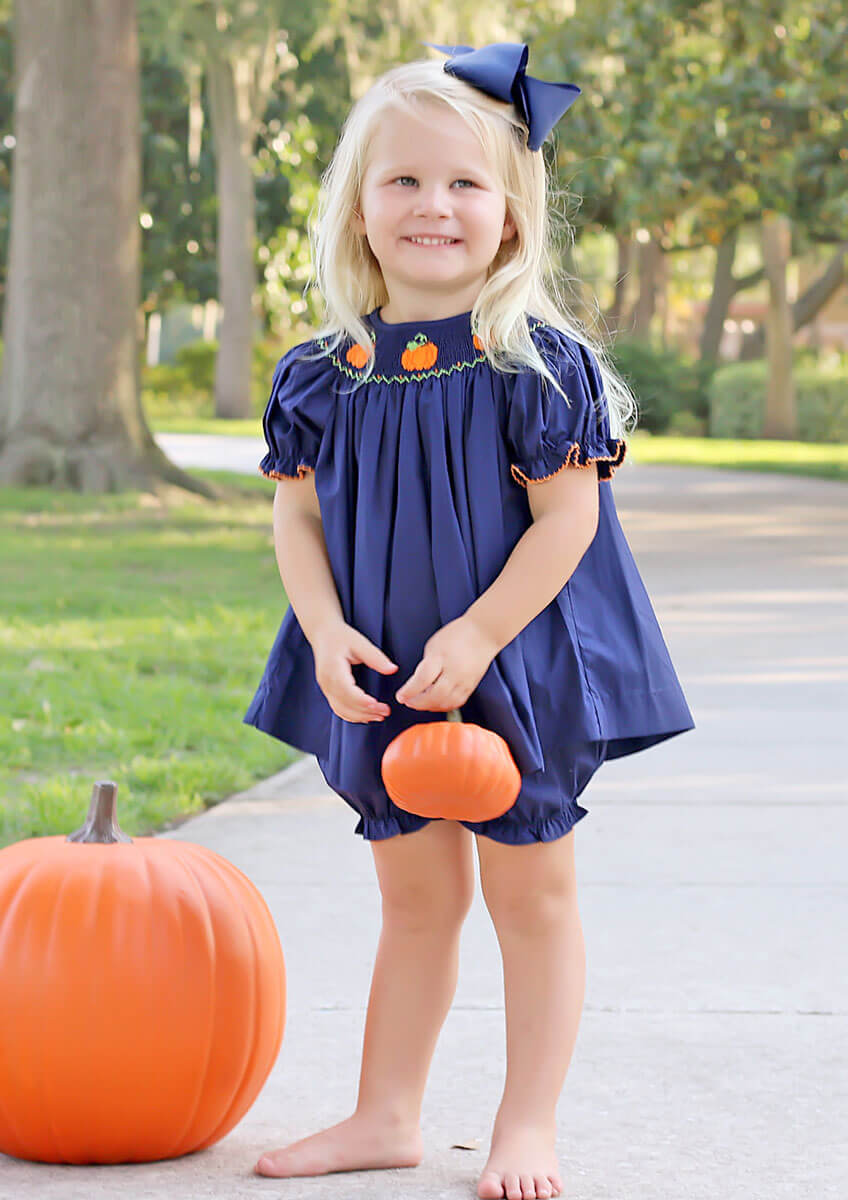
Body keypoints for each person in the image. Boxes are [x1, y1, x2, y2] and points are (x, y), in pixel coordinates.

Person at [242, 42, 694, 1200]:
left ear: (508, 216)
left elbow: (567, 523)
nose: (433, 205)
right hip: (382, 663)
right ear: (357, 207)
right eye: (402, 181)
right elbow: (296, 522)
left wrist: (485, 634)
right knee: (414, 899)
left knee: (530, 895)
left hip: (514, 659)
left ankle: (526, 1126)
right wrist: (324, 627)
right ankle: (386, 1114)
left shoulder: (533, 365)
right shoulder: (321, 374)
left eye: (464, 184)